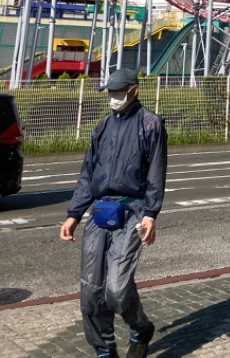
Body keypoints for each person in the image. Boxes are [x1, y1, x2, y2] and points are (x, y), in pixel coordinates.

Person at [60, 67, 167, 358]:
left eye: (118, 90)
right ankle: (104, 351)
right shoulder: (102, 127)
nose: (113, 96)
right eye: (110, 91)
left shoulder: (151, 125)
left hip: (132, 212)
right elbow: (87, 174)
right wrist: (74, 213)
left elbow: (156, 174)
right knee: (91, 292)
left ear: (134, 89)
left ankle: (140, 328)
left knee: (117, 288)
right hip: (100, 213)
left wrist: (150, 214)